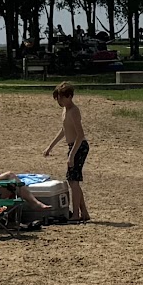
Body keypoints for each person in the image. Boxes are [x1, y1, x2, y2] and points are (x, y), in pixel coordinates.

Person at [43, 81, 90, 223]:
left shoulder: (74, 111)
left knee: (73, 181)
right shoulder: (65, 110)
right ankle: (84, 212)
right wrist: (50, 147)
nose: (59, 101)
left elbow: (80, 135)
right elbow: (64, 130)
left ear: (69, 96)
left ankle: (76, 213)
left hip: (79, 147)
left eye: (61, 98)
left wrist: (71, 155)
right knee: (72, 180)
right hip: (72, 146)